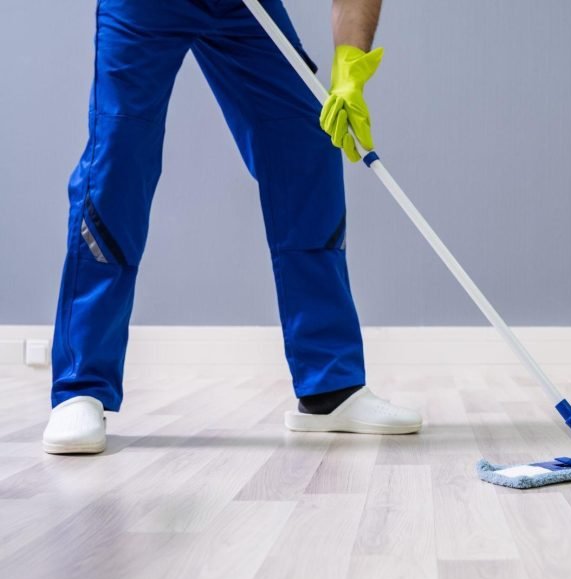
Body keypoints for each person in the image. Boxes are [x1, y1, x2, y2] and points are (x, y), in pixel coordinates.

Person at [42, 0, 420, 455]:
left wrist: (349, 69)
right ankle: (80, 388)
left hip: (244, 8)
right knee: (118, 160)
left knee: (306, 143)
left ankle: (331, 386)